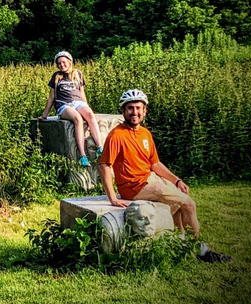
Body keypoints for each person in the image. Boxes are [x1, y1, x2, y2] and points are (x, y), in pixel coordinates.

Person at [98, 89, 231, 262]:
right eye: (130, 108)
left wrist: (176, 180)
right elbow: (104, 165)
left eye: (138, 108)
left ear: (145, 111)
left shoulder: (145, 133)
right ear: (123, 111)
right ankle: (203, 251)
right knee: (189, 204)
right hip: (134, 187)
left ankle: (182, 245)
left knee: (178, 202)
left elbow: (154, 164)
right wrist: (112, 198)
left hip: (150, 179)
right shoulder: (117, 135)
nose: (134, 112)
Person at [39, 50, 104, 167]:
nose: (61, 65)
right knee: (77, 119)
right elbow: (52, 97)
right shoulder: (56, 76)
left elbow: (82, 92)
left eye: (63, 62)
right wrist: (45, 115)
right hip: (64, 105)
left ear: (69, 62)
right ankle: (82, 156)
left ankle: (100, 148)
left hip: (78, 102)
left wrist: (86, 106)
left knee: (90, 115)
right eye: (59, 63)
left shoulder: (78, 74)